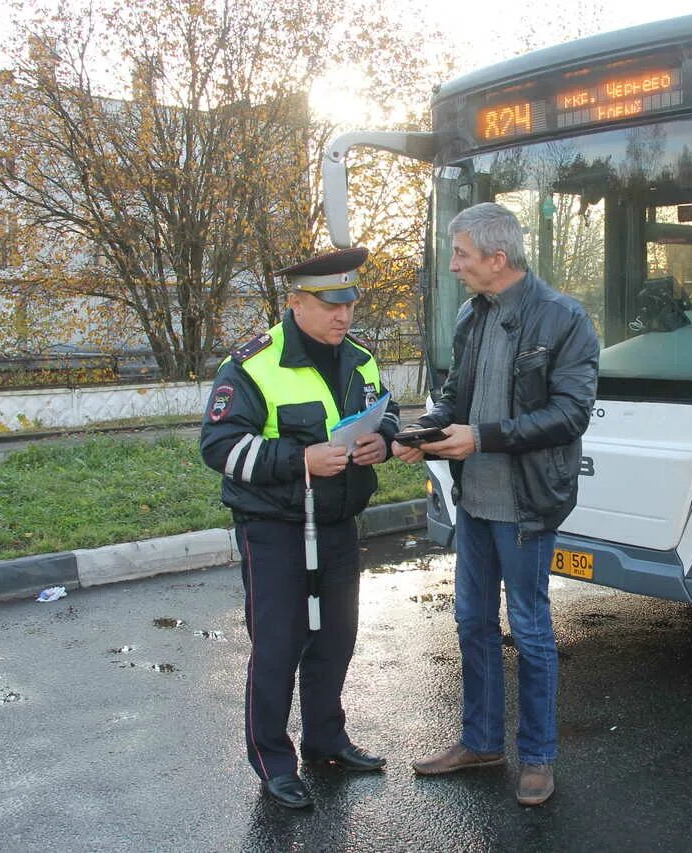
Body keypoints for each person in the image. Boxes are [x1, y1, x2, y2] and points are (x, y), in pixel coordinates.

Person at [392, 202, 599, 806]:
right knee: (472, 623)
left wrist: (481, 437)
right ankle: (481, 741)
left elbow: (569, 415)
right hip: (475, 502)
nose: (454, 265)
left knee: (529, 631)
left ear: (497, 259)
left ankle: (537, 757)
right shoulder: (471, 314)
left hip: (527, 504)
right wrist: (425, 434)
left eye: (461, 254)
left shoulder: (564, 318)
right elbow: (457, 395)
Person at [200, 246, 400, 809]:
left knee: (336, 637)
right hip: (275, 528)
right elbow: (220, 448)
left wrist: (381, 441)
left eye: (350, 303)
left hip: (336, 521)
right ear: (295, 302)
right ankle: (273, 762)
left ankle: (325, 741)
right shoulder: (252, 364)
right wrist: (300, 461)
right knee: (278, 645)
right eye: (330, 304)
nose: (343, 316)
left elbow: (386, 410)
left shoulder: (358, 357)